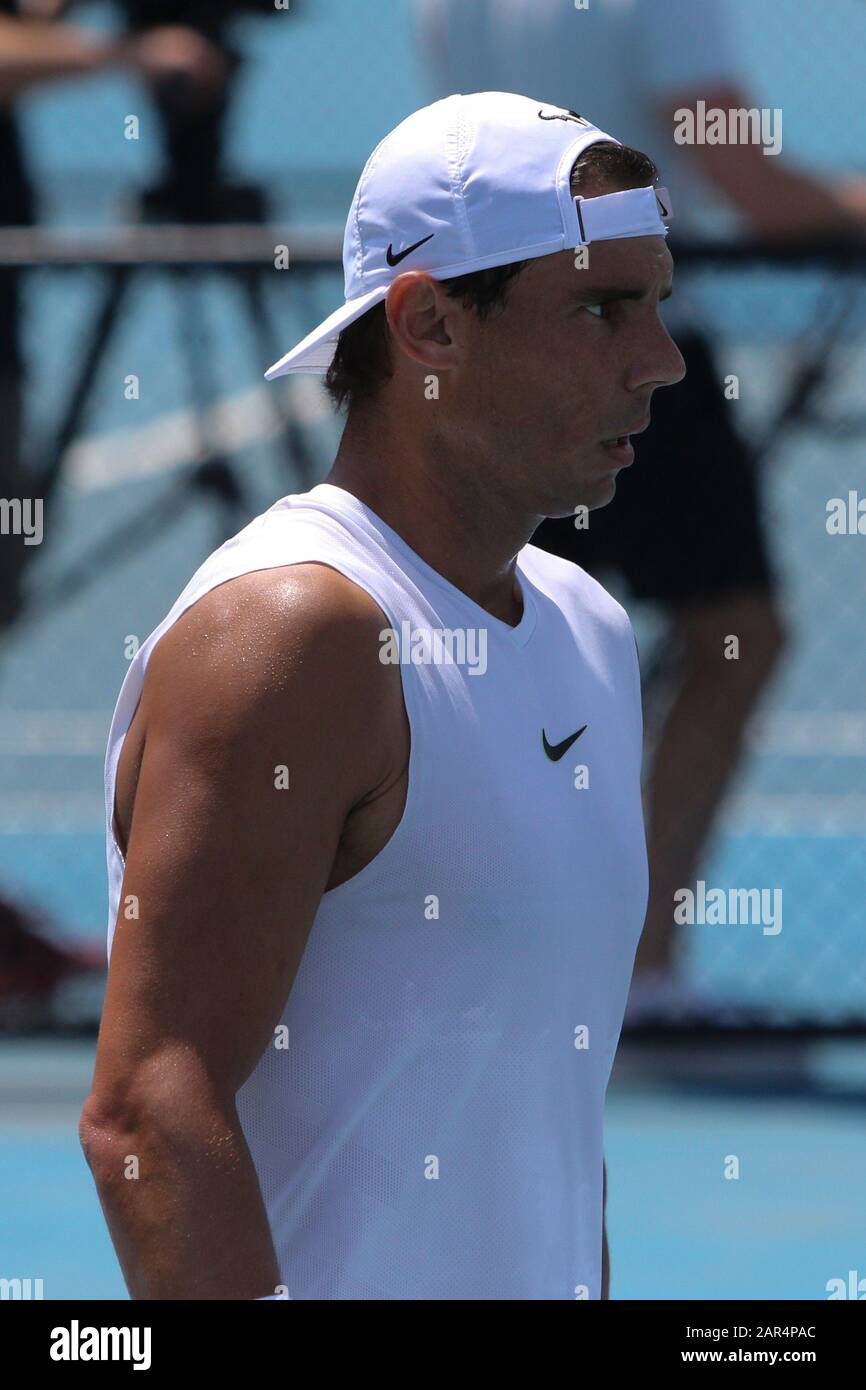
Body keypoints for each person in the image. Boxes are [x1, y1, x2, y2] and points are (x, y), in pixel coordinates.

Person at [81, 91, 684, 1300]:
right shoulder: (297, 635)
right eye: (600, 308)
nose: (660, 360)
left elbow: (549, 1145)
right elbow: (150, 1107)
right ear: (429, 328)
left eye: (656, 304)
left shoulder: (586, 628)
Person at [414, 0, 866, 1023]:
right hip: (626, 334)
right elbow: (748, 185)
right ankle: (638, 963)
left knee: (478, 632)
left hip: (493, 335)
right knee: (734, 633)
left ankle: (464, 941)